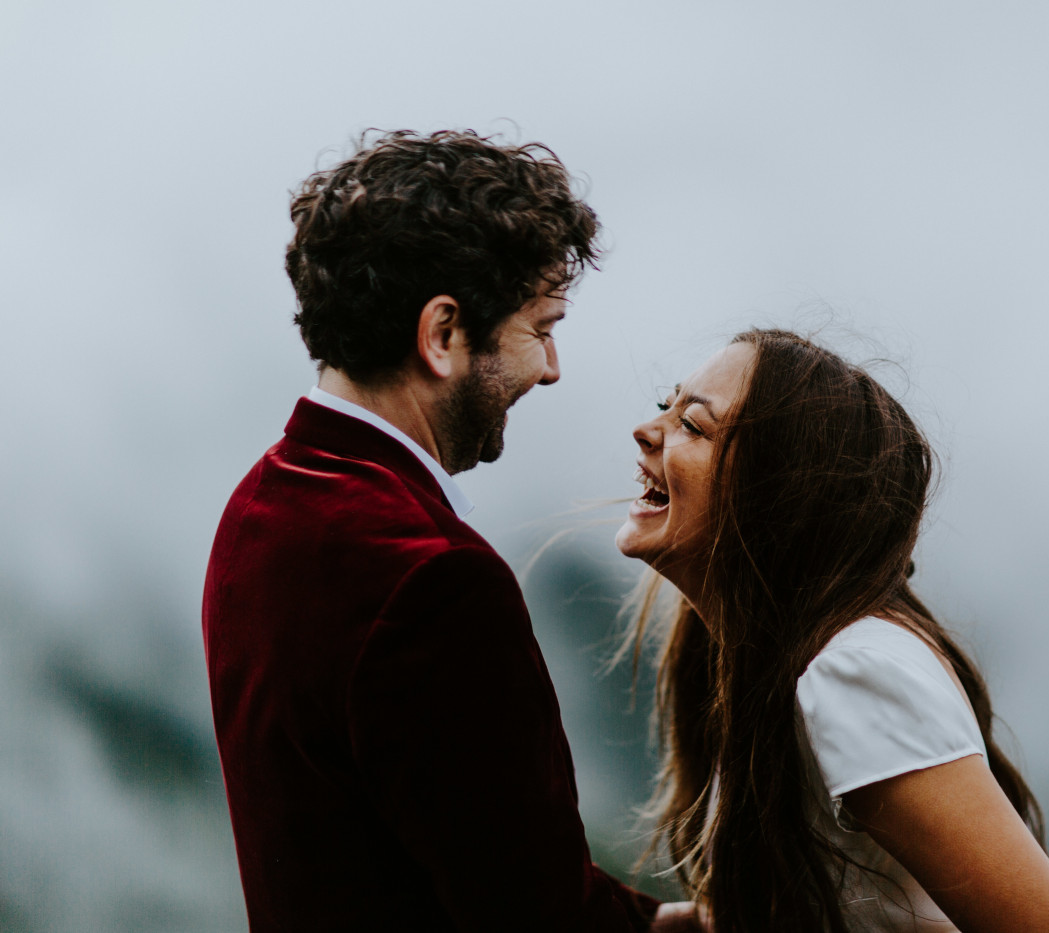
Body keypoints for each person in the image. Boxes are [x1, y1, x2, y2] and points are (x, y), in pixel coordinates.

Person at [203, 129, 686, 931]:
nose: (553, 366)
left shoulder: (259, 505)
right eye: (541, 325)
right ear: (443, 334)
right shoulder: (435, 581)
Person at [615, 329, 1049, 932]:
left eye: (694, 425)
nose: (648, 430)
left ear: (780, 491)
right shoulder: (762, 660)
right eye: (668, 407)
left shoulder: (856, 670)